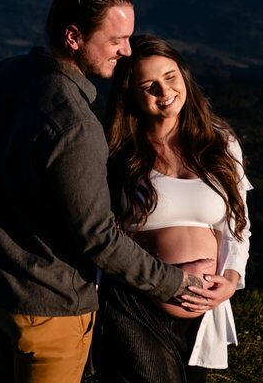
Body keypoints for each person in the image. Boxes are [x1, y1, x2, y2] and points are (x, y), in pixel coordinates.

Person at [0, 0, 217, 383]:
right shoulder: (76, 123)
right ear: (74, 37)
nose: (126, 51)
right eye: (116, 40)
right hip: (49, 309)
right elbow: (98, 238)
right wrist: (177, 283)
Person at [96, 34, 252, 383]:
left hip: (204, 312)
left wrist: (231, 280)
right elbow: (100, 230)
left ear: (184, 76)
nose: (164, 91)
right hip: (136, 304)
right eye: (148, 85)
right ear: (131, 94)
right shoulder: (117, 151)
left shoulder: (220, 143)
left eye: (170, 77)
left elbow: (238, 226)